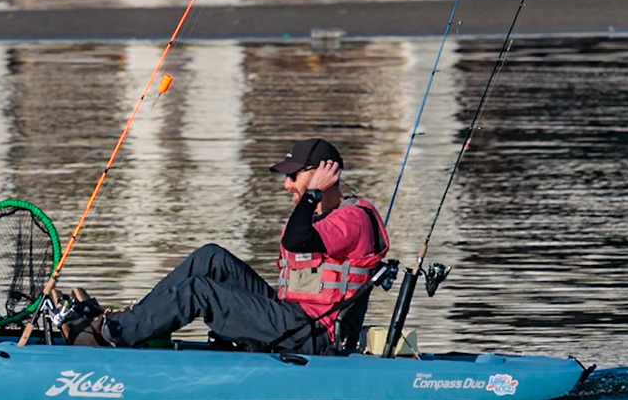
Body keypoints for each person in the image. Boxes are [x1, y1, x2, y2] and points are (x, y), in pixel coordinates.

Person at [67, 138, 390, 354]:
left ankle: (108, 334)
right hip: (291, 315)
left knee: (200, 290)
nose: (286, 184)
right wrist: (311, 197)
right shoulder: (318, 214)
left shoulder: (352, 219)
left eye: (293, 176)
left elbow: (296, 239)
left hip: (315, 333)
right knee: (212, 257)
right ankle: (134, 323)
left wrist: (312, 193)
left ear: (323, 176)